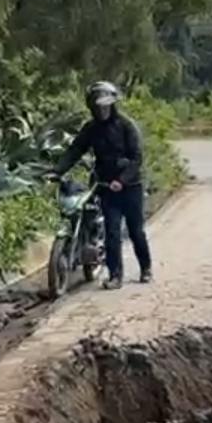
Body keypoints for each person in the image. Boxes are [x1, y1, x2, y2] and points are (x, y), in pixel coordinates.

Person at [53, 81, 151, 289]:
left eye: (105, 106)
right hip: (105, 186)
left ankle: (146, 267)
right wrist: (57, 171)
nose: (102, 110)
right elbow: (75, 150)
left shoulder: (126, 126)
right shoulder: (91, 129)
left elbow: (137, 158)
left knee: (136, 231)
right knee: (111, 231)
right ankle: (115, 275)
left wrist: (122, 180)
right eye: (98, 107)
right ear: (92, 108)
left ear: (112, 105)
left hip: (130, 186)